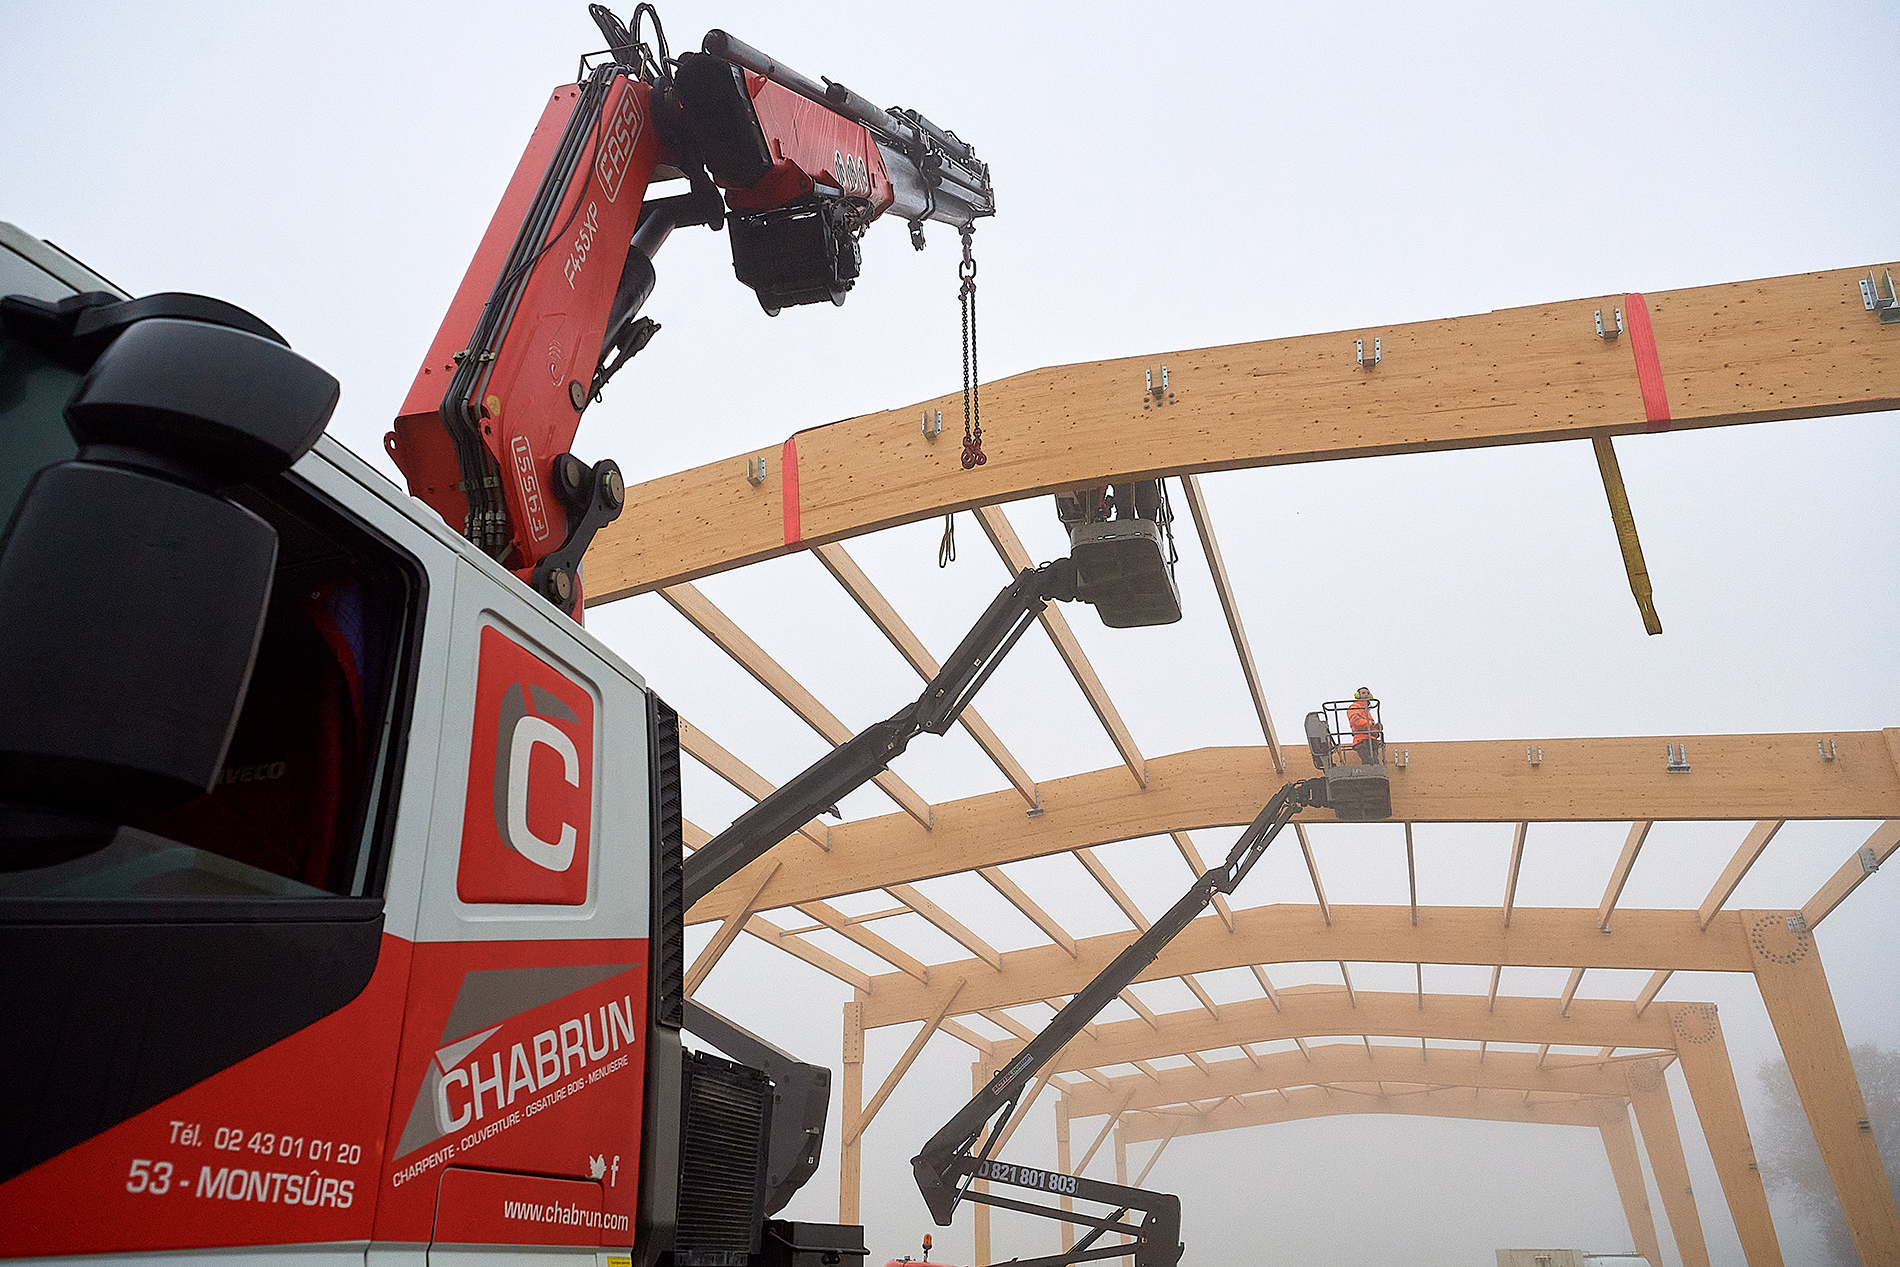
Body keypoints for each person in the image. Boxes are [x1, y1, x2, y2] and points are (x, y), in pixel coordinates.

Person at [1347, 686, 1383, 766]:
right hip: (1361, 740)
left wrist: (1376, 730)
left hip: (1370, 740)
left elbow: (1368, 726)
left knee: (1375, 763)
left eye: (1368, 693)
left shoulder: (1366, 710)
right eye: (1363, 693)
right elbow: (1356, 721)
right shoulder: (1354, 707)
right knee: (1368, 763)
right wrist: (1372, 724)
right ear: (1357, 695)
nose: (1366, 695)